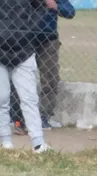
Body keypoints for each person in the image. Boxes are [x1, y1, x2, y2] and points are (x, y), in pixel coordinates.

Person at [0, 0, 49, 152]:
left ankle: (38, 142)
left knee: (29, 97)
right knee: (1, 97)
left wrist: (27, 31)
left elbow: (40, 7)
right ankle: (5, 141)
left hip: (24, 50)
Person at [36, 0, 75, 129]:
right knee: (18, 77)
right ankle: (17, 117)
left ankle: (44, 117)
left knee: (50, 79)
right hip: (25, 38)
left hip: (48, 39)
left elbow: (70, 12)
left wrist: (56, 6)